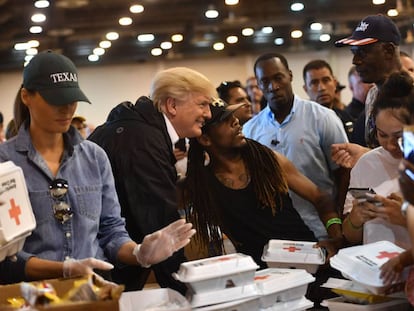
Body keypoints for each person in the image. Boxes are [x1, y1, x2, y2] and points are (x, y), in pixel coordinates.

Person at [0, 50, 195, 284]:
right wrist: (63, 269)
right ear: (26, 96)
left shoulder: (94, 157)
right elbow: (6, 254)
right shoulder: (5, 162)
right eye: (55, 100)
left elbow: (111, 230)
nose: (66, 109)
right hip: (30, 297)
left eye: (72, 99)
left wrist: (139, 253)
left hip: (95, 293)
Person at [179, 99, 344, 307]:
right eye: (225, 120)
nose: (236, 122)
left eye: (233, 117)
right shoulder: (199, 185)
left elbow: (321, 198)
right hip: (259, 278)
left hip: (306, 262)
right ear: (205, 139)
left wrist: (336, 238)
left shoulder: (267, 159)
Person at [88, 67, 216, 293]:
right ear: (172, 105)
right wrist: (190, 293)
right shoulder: (142, 141)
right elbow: (160, 226)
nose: (208, 114)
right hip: (107, 268)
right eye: (202, 104)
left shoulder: (139, 131)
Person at [242, 52, 349, 240]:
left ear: (290, 76)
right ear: (258, 85)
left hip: (322, 230)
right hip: (276, 235)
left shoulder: (322, 117)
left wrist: (338, 221)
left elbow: (343, 173)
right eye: (265, 81)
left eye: (278, 78)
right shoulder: (250, 129)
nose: (273, 86)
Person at [342, 71, 411, 251]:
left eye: (399, 137)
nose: (390, 145)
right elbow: (350, 235)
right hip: (373, 270)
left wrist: (405, 219)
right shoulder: (366, 164)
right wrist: (356, 218)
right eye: (382, 135)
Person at [332, 14, 402, 168]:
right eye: (354, 53)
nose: (355, 61)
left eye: (362, 52)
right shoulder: (373, 95)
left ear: (388, 51)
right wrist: (365, 154)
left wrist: (366, 155)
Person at [302, 59, 354, 140]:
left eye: (326, 80)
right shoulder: (302, 123)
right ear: (306, 89)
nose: (321, 88)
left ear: (335, 83)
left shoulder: (346, 117)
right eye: (314, 83)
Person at [346, 66, 374, 145]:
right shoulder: (346, 116)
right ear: (351, 87)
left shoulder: (380, 110)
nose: (371, 84)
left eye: (372, 80)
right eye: (364, 81)